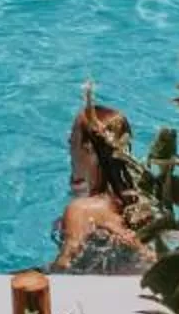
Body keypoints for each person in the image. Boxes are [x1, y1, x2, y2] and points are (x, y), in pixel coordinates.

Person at [52, 91, 152, 274]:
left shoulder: (81, 210)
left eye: (73, 138)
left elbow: (63, 268)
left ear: (88, 149)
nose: (68, 141)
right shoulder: (140, 202)